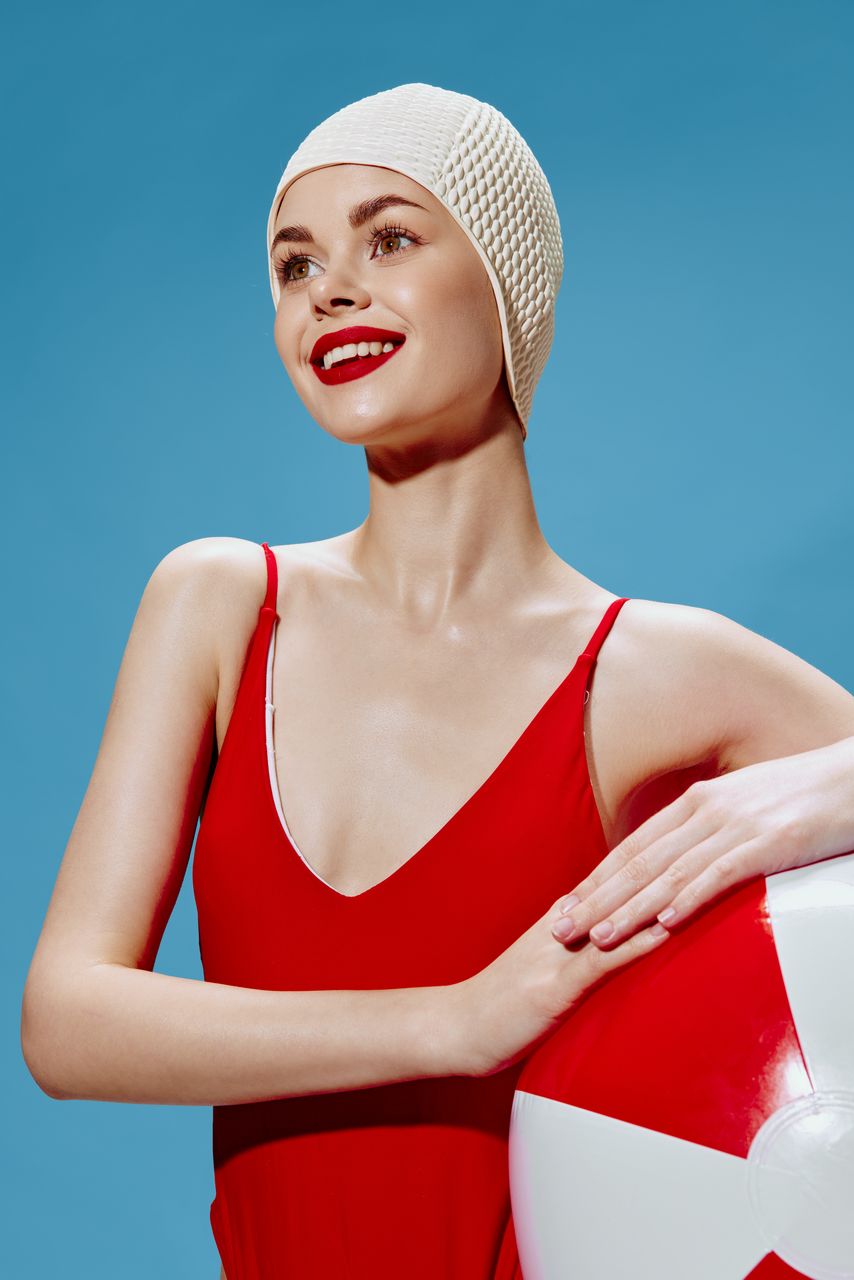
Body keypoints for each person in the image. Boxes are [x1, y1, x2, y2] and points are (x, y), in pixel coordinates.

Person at [20, 84, 854, 1279]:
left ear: (509, 283)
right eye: (293, 262)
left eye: (390, 237)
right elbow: (68, 1019)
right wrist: (455, 1017)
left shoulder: (660, 668)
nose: (330, 288)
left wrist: (822, 797)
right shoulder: (217, 603)